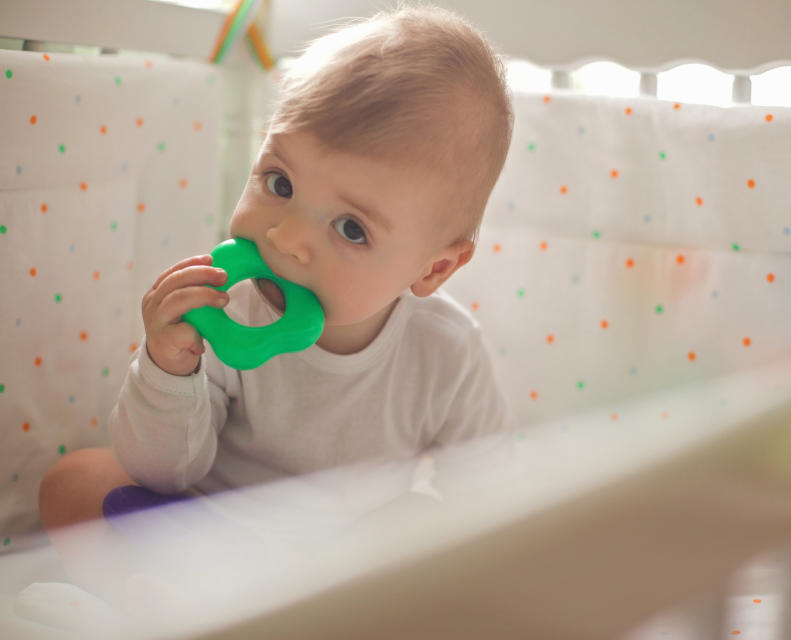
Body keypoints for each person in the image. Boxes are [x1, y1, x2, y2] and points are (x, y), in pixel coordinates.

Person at [37, 3, 515, 601]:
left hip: (347, 565)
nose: (285, 239)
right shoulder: (225, 306)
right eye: (280, 183)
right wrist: (167, 367)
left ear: (434, 268)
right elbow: (162, 471)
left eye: (351, 228)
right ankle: (187, 601)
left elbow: (488, 490)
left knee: (428, 522)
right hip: (205, 528)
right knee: (75, 482)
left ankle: (214, 609)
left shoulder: (446, 351)